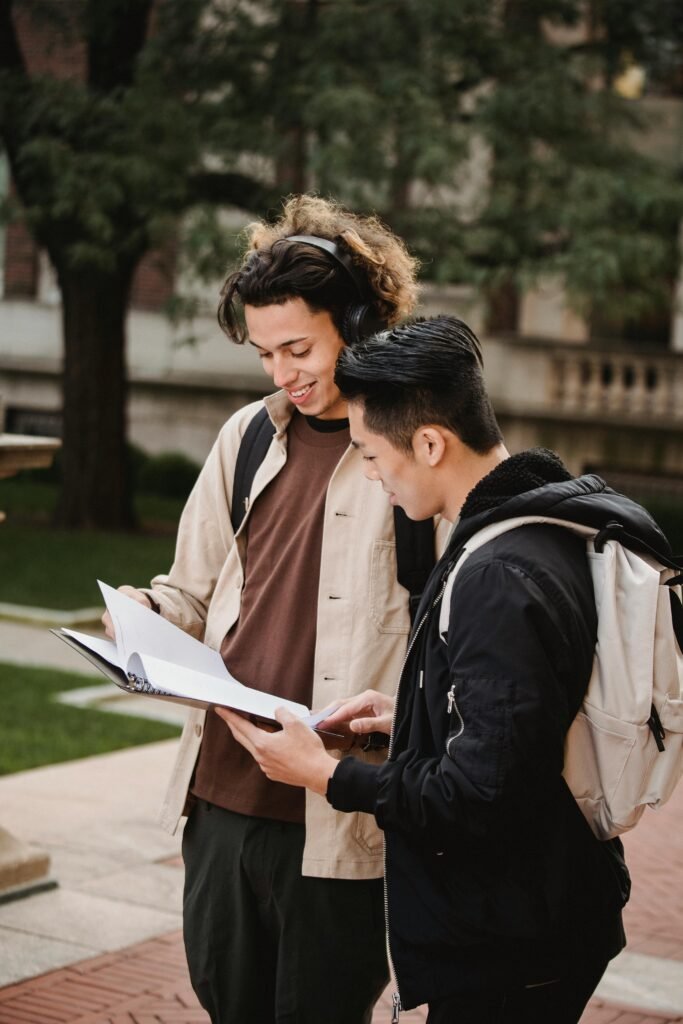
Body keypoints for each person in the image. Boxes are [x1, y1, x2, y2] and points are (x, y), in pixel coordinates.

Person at [214, 314, 680, 1024]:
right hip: (542, 913)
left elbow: (482, 797)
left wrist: (325, 776)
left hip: (513, 939)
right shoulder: (542, 523)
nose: (371, 478)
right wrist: (408, 715)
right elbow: (521, 725)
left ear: (430, 442)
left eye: (371, 456)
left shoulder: (498, 570)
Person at [103, 196, 449, 1024]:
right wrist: (140, 618)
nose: (282, 373)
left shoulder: (419, 456)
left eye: (298, 348)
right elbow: (188, 590)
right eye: (265, 354)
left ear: (359, 325)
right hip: (220, 799)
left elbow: (457, 648)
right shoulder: (246, 436)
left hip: (339, 809)